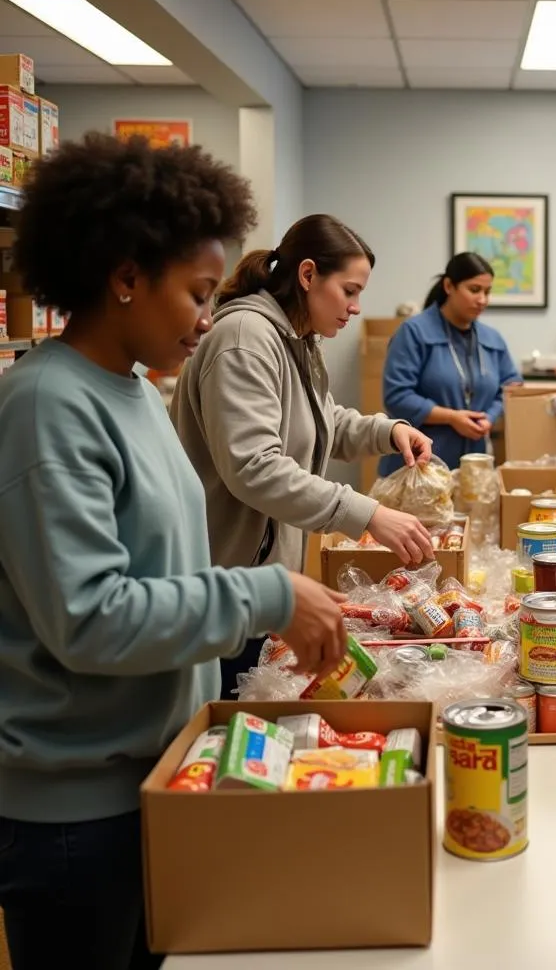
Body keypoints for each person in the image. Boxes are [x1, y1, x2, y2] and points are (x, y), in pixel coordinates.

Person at [0, 133, 349, 970]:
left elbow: (169, 571)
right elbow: (90, 617)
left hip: (150, 777)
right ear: (124, 278)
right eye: (196, 293)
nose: (209, 316)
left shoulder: (133, 391)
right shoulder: (48, 407)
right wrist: (267, 595)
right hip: (73, 819)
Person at [171, 214, 435, 698]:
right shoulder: (245, 338)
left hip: (264, 583)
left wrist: (387, 429)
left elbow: (320, 422)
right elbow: (255, 467)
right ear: (308, 275)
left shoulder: (297, 338)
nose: (355, 307)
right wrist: (367, 513)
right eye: (349, 291)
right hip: (227, 584)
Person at [380, 252, 521, 476]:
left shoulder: (492, 339)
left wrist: (490, 417)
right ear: (449, 286)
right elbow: (397, 396)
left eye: (487, 292)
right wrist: (451, 418)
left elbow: (512, 387)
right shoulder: (414, 332)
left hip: (473, 468)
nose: (483, 299)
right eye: (475, 290)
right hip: (418, 467)